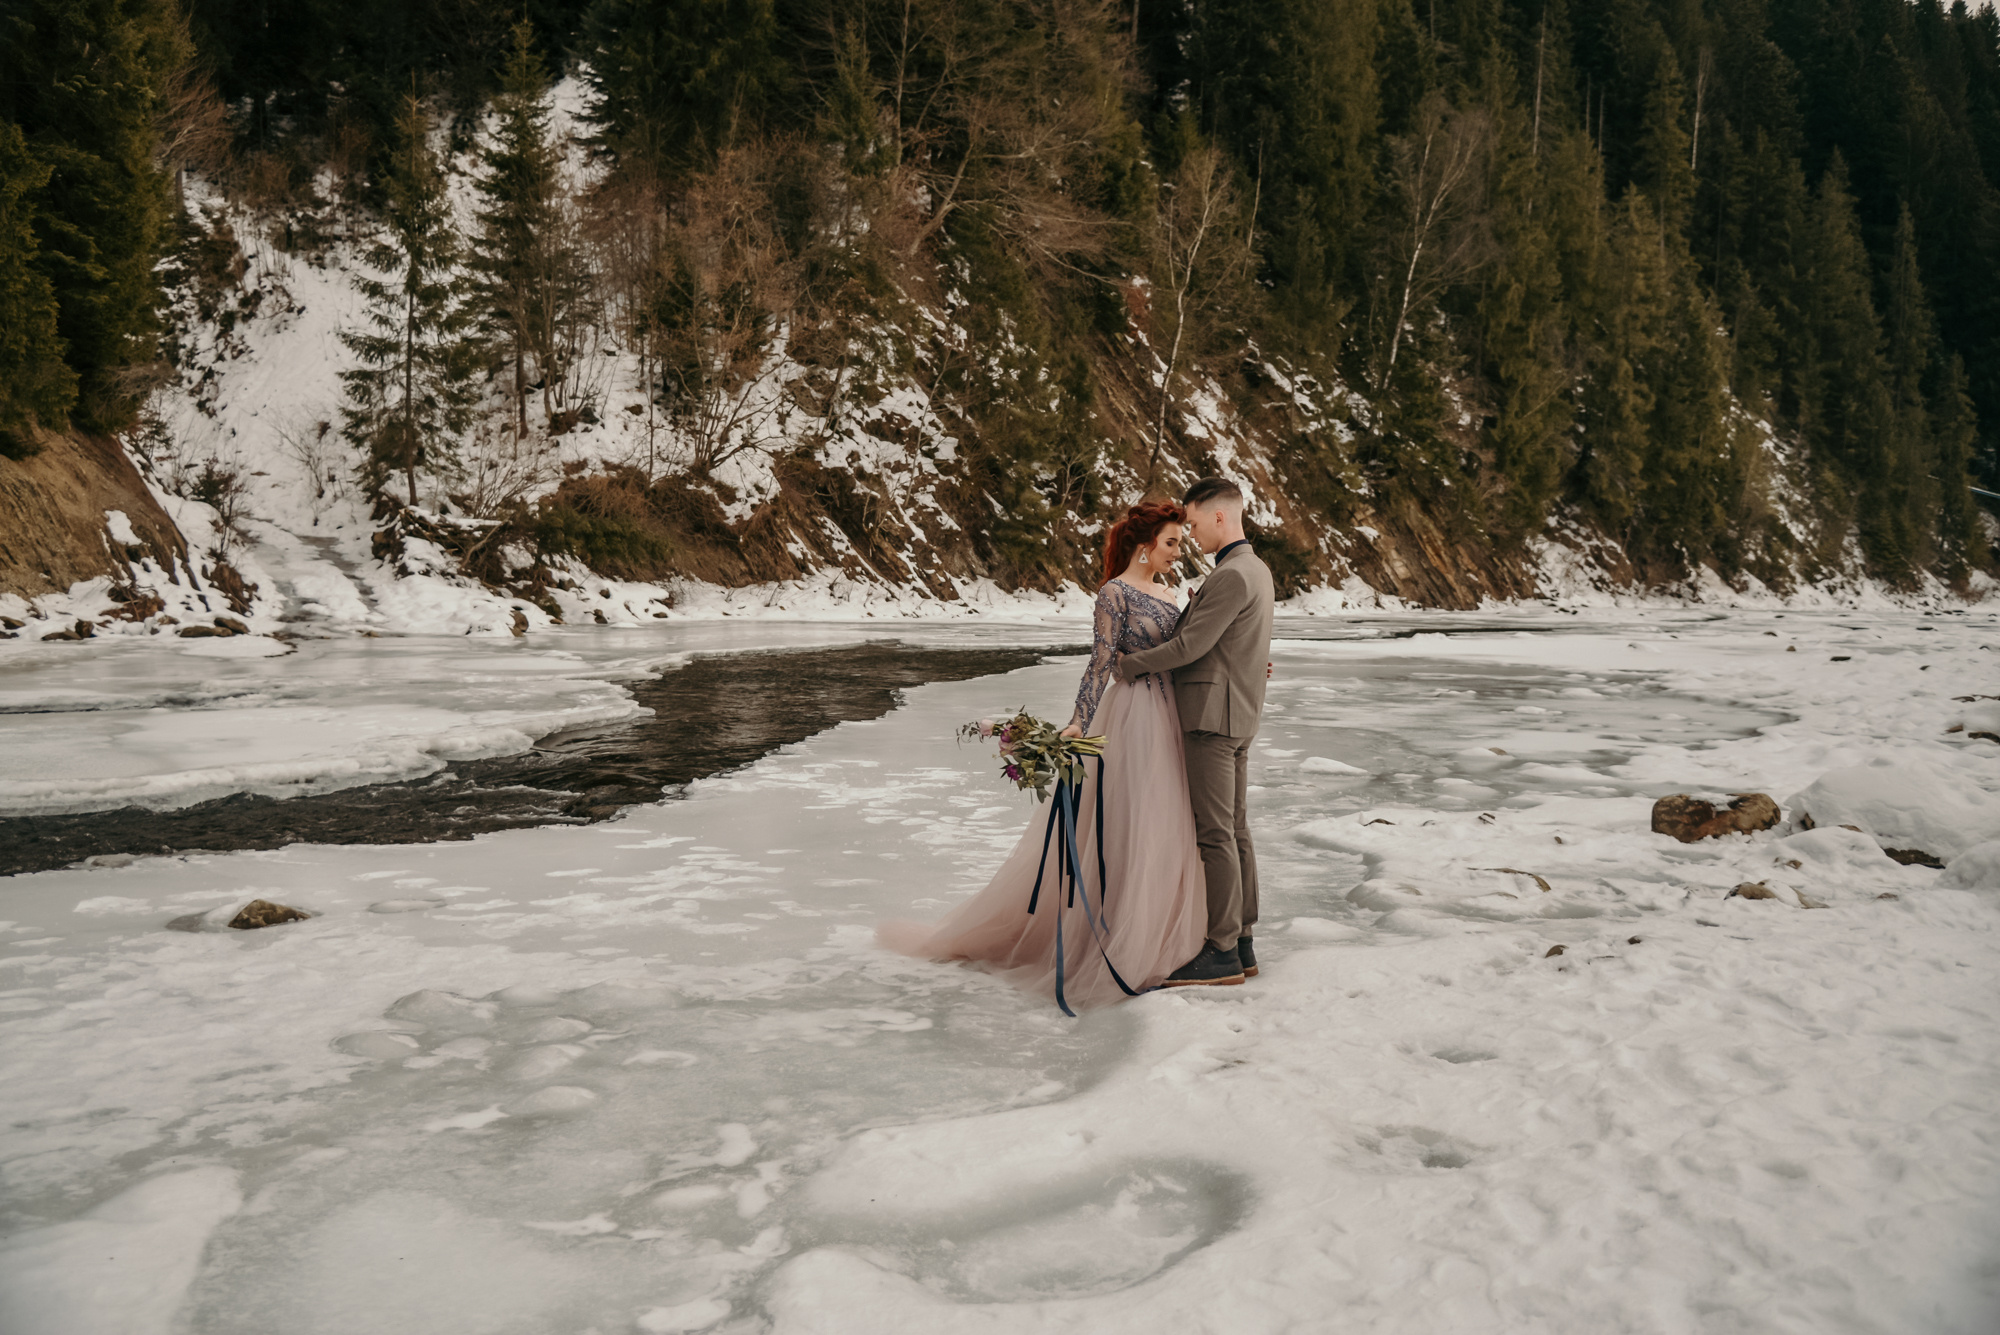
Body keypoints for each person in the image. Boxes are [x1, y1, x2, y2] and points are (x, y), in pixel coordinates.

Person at [877, 501, 1208, 1009]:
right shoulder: (1114, 594)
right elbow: (1099, 664)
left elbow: (1191, 650)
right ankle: (1126, 938)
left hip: (1172, 716)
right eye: (1171, 542)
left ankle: (1168, 931)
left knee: (1169, 820)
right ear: (1145, 546)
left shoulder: (1172, 592)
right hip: (1134, 716)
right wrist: (1079, 720)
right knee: (1135, 821)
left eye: (1180, 542)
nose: (1177, 551)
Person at [1114, 477, 1275, 987]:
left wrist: (1129, 666)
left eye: (1195, 522)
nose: (1192, 532)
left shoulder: (1231, 575)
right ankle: (1243, 941)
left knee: (1216, 835)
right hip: (1240, 712)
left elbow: (1191, 648)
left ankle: (1222, 950)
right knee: (1236, 829)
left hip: (1213, 716)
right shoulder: (1256, 569)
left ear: (1220, 517)